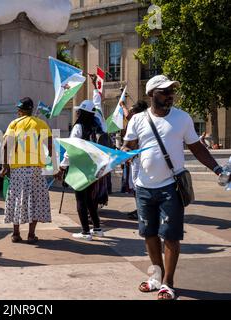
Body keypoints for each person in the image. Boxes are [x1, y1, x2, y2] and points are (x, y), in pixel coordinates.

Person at [122, 75, 224, 300]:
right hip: (143, 188)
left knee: (170, 236)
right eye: (165, 92)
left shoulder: (182, 118)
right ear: (151, 95)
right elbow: (128, 145)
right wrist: (122, 155)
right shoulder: (138, 119)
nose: (170, 95)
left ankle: (168, 283)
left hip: (171, 187)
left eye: (172, 91)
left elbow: (197, 149)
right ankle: (156, 277)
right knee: (148, 234)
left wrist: (218, 169)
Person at [0, 97, 55, 244]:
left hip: (18, 170)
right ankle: (31, 235)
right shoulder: (41, 124)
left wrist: (5, 166)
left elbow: (6, 146)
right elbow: (50, 146)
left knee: (17, 199)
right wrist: (52, 165)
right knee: (36, 201)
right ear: (31, 110)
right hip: (36, 170)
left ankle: (16, 234)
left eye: (19, 109)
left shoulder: (14, 124)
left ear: (21, 110)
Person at [56, 100, 107, 241]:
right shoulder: (98, 126)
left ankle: (85, 232)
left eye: (79, 110)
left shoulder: (79, 127)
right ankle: (97, 228)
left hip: (81, 167)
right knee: (90, 199)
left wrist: (62, 166)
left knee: (80, 199)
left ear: (82, 113)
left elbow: (72, 148)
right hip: (95, 167)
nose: (77, 112)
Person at [120, 100, 149, 220]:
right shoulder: (147, 120)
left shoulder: (138, 120)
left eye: (133, 111)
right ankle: (142, 209)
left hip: (137, 158)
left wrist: (122, 105)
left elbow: (127, 115)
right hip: (141, 157)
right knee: (138, 185)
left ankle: (142, 210)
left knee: (137, 186)